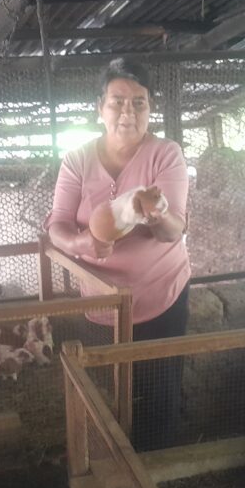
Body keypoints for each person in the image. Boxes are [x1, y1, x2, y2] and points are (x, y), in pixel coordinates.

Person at [45, 57, 190, 450]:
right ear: (100, 108)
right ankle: (112, 459)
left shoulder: (165, 154)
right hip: (101, 301)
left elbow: (174, 230)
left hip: (160, 297)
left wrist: (157, 215)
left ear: (150, 107)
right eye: (117, 102)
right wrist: (82, 244)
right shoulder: (77, 160)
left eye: (139, 103)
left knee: (157, 390)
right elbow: (57, 225)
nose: (128, 112)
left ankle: (155, 462)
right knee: (107, 390)